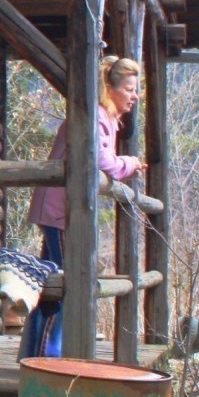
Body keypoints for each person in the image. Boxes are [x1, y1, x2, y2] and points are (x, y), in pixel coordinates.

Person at [22, 55, 146, 359]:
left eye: (136, 89)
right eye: (129, 89)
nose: (135, 96)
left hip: (59, 209)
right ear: (110, 87)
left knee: (51, 285)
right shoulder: (97, 116)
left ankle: (40, 357)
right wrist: (129, 163)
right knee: (68, 285)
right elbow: (103, 163)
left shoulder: (104, 117)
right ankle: (47, 359)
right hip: (62, 210)